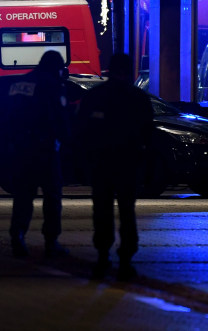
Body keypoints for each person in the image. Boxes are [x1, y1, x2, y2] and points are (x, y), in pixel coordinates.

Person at [78, 53, 153, 281]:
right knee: (127, 211)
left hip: (101, 164)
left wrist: (85, 161)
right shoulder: (138, 98)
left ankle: (103, 257)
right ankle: (125, 260)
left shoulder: (95, 97)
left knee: (102, 210)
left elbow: (82, 132)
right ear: (129, 71)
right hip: (127, 164)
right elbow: (148, 135)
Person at [6, 50, 70, 259]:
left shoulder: (19, 84)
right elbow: (59, 118)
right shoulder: (52, 85)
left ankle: (17, 236)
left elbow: (5, 116)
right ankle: (51, 242)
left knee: (23, 196)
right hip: (45, 149)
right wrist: (65, 140)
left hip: (21, 149)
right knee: (52, 196)